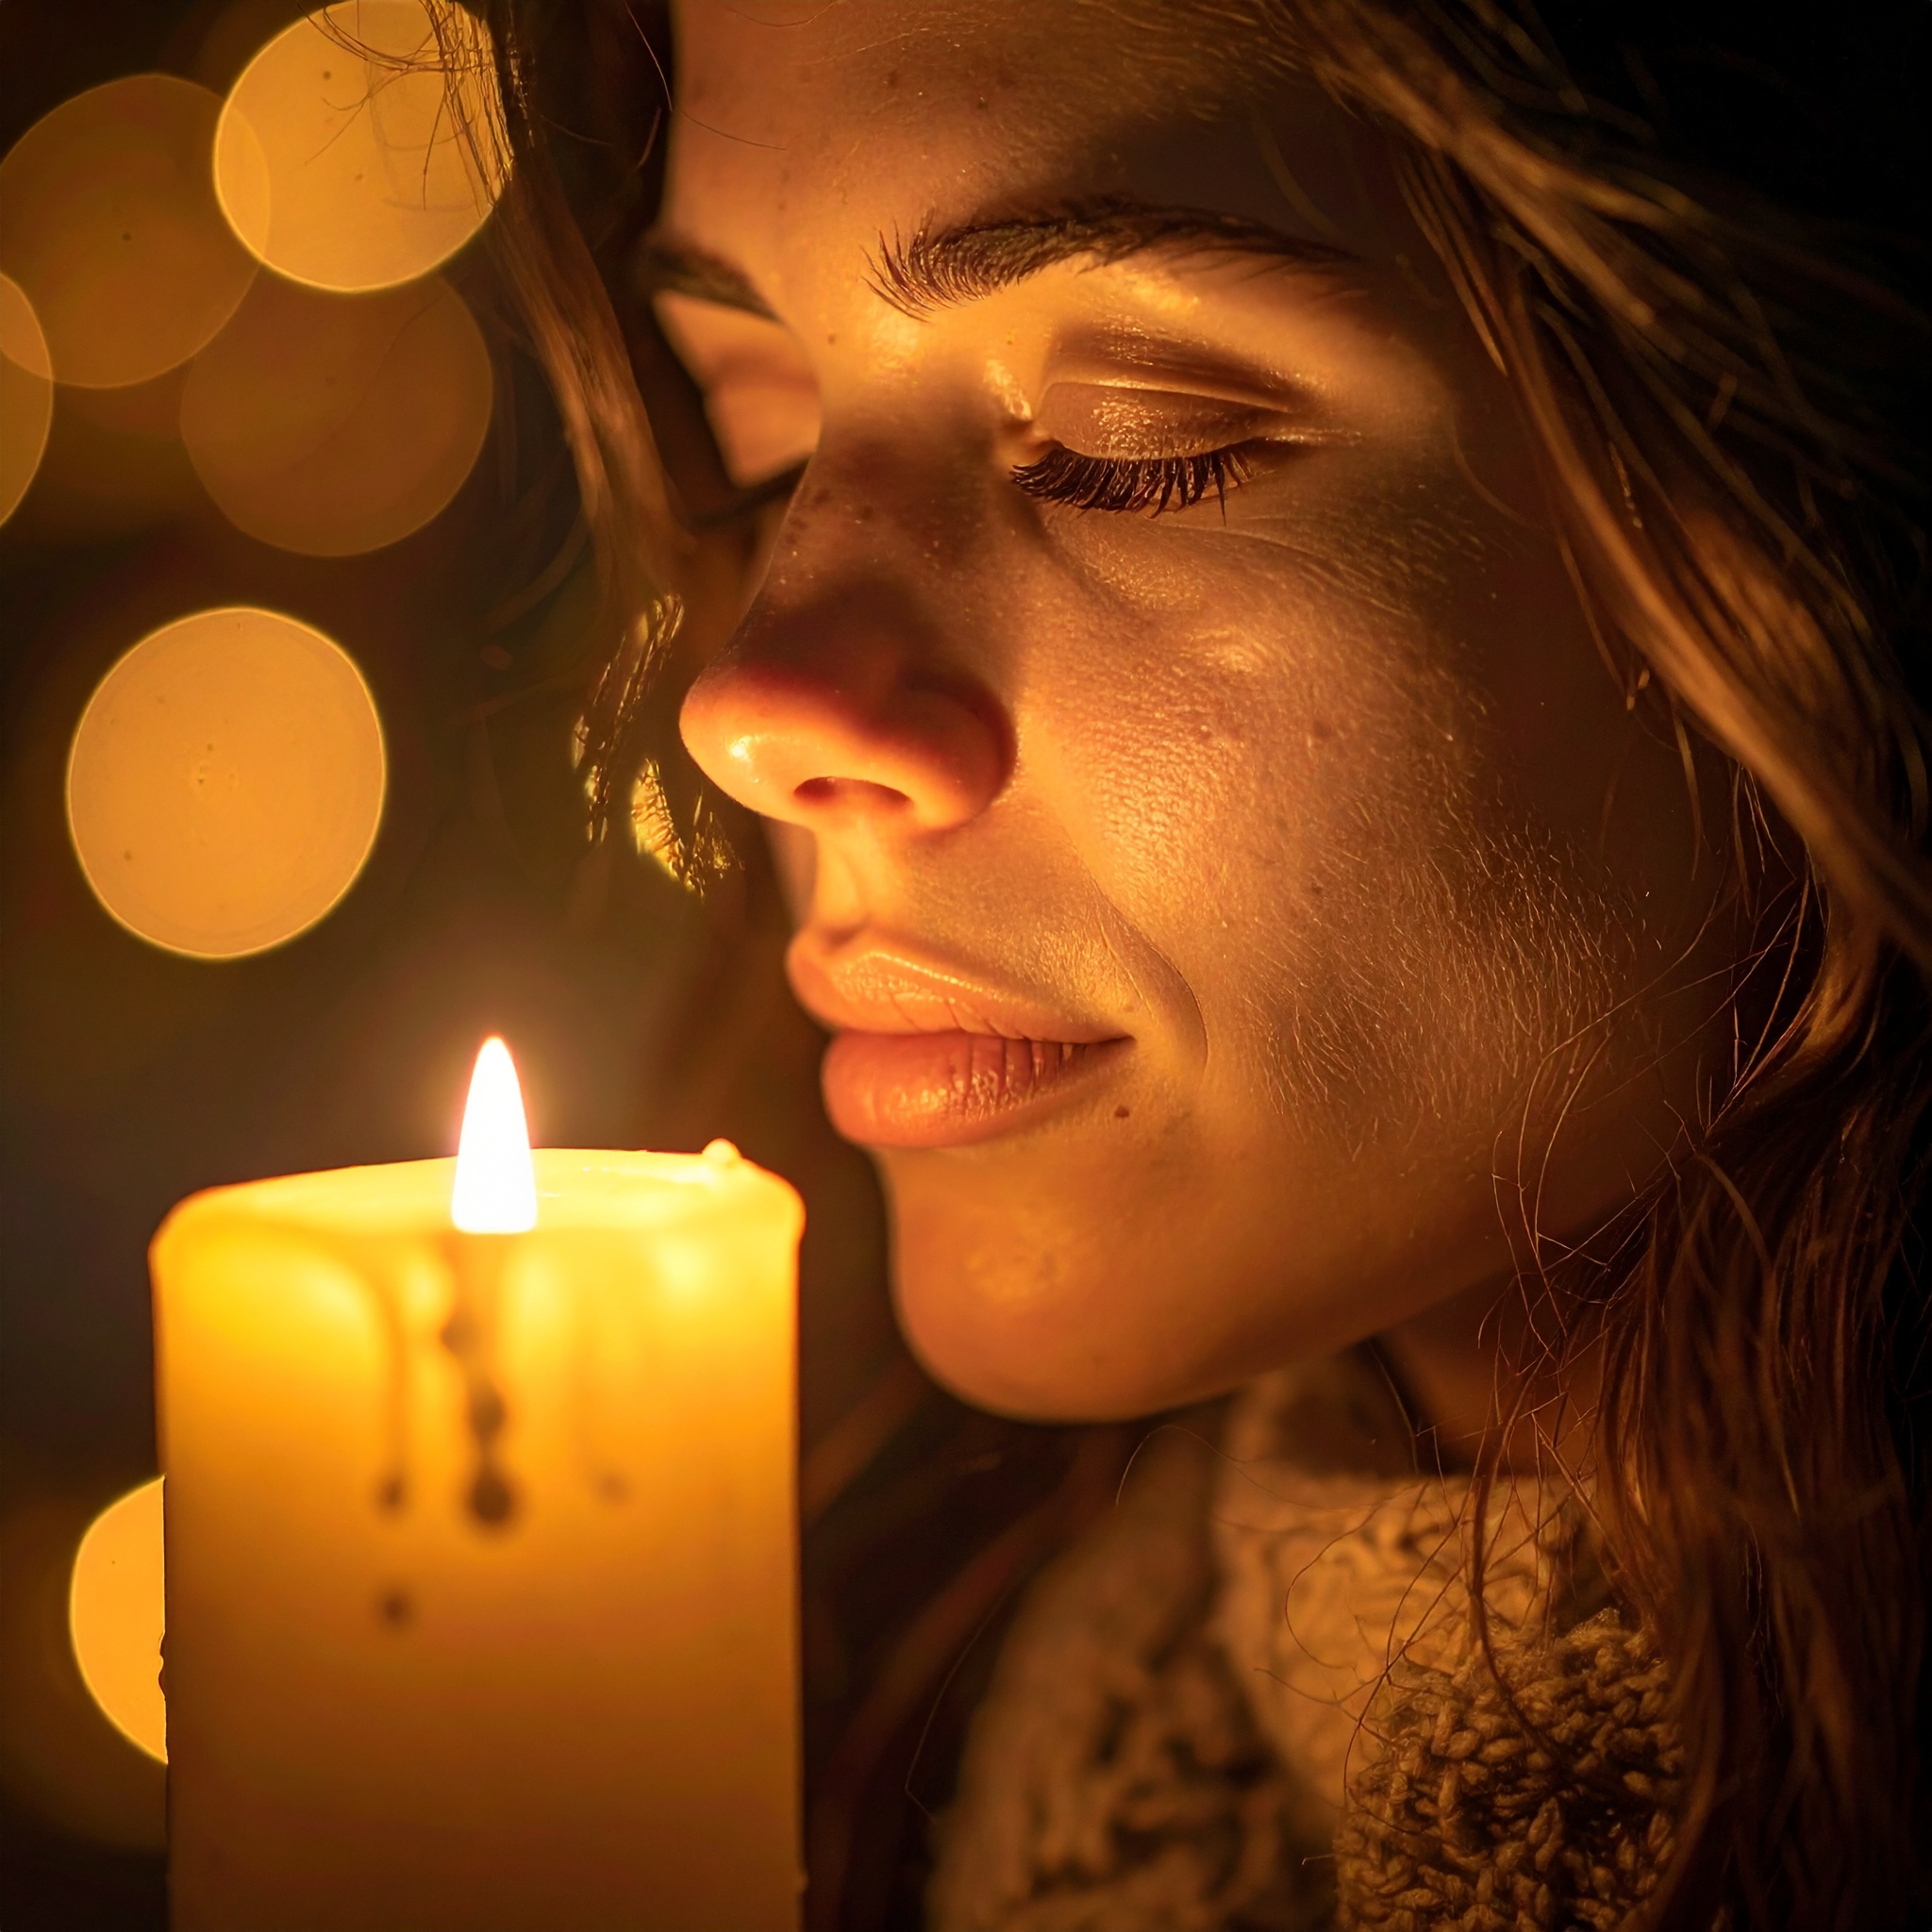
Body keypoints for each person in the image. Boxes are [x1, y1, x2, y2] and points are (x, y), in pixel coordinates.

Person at [448, 1, 1931, 1924]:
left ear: (1807, 516)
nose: (754, 704)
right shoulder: (1042, 1764)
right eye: (768, 429)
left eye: (1122, 445)